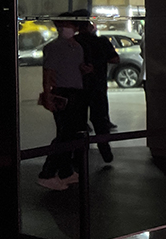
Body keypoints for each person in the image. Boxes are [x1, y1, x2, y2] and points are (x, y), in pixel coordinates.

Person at [36, 12, 88, 190]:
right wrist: (47, 95)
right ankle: (47, 173)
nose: (66, 28)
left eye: (70, 24)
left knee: (70, 133)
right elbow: (48, 72)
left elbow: (74, 68)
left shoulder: (77, 47)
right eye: (63, 24)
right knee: (64, 134)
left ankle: (65, 172)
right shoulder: (54, 47)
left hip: (76, 93)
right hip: (63, 93)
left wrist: (85, 70)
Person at [73, 11, 119, 162]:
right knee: (100, 121)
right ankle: (105, 151)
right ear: (89, 25)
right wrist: (98, 64)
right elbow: (115, 59)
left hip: (77, 88)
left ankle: (79, 155)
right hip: (97, 86)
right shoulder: (101, 41)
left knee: (79, 122)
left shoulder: (73, 42)